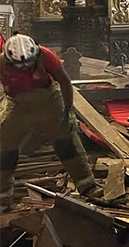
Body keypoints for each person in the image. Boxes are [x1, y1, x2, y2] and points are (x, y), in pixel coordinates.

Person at [0, 34, 98, 212]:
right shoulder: (1, 62)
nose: (23, 68)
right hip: (18, 103)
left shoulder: (46, 55)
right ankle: (3, 197)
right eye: (18, 66)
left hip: (49, 100)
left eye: (27, 64)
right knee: (5, 148)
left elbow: (65, 82)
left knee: (66, 142)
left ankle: (87, 186)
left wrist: (69, 111)